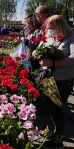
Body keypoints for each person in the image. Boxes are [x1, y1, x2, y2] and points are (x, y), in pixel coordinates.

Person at [34, 15, 74, 148]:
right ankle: (58, 131)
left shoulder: (70, 38)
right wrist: (36, 53)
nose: (50, 30)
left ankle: (59, 139)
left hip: (64, 80)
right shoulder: (50, 38)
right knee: (51, 106)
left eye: (52, 28)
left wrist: (55, 62)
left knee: (57, 107)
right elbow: (40, 48)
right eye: (48, 28)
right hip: (49, 78)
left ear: (60, 26)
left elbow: (73, 58)